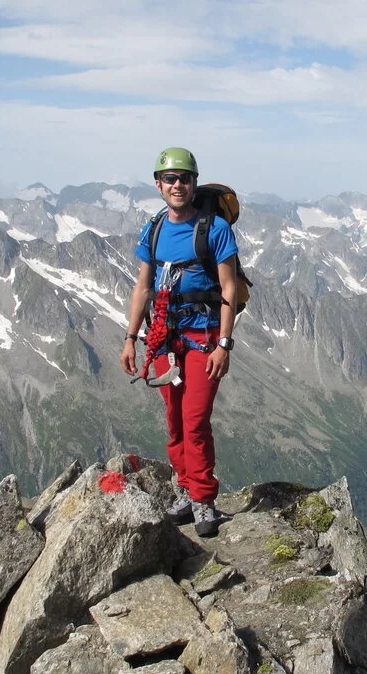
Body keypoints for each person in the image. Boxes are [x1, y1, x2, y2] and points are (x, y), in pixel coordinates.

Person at [120, 147, 238, 538]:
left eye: (184, 178)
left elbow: (228, 287)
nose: (177, 185)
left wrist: (224, 344)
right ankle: (186, 490)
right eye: (170, 179)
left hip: (203, 338)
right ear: (158, 184)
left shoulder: (215, 229)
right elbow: (142, 287)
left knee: (195, 420)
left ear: (194, 183)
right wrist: (130, 339)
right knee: (174, 421)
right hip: (164, 340)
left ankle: (203, 499)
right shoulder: (153, 229)